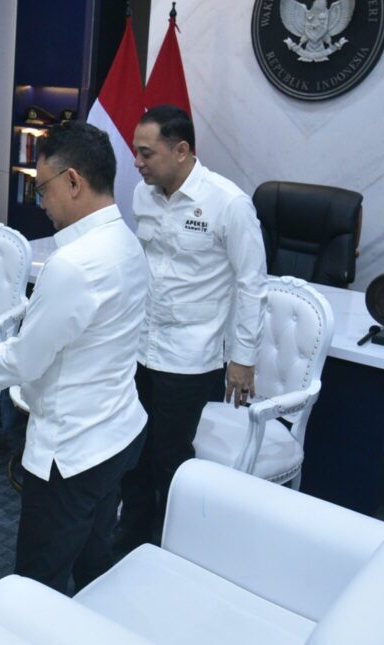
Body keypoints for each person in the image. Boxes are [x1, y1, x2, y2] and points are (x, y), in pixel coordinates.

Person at [0, 122, 148, 595]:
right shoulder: (126, 241)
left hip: (71, 450)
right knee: (94, 564)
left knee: (39, 579)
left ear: (73, 181)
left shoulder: (73, 264)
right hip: (117, 431)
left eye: (42, 187)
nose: (39, 200)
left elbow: (28, 359)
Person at [114, 104, 267, 551]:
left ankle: (172, 544)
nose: (137, 163)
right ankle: (132, 536)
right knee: (133, 450)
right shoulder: (143, 195)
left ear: (181, 151)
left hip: (190, 357)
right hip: (140, 348)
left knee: (171, 458)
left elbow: (252, 285)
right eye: (136, 152)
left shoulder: (228, 203)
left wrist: (243, 359)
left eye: (146, 153)